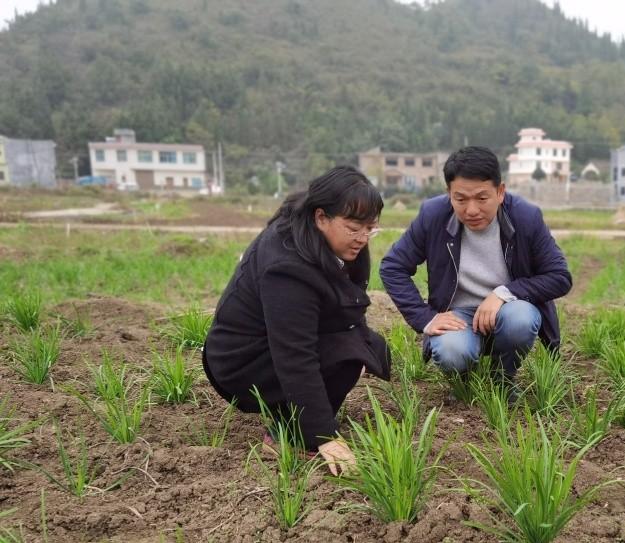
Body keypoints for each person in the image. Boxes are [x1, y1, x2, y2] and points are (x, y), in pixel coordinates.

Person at [202, 166, 390, 475]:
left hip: (268, 344)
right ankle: (290, 437)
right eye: (354, 227)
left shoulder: (326, 235)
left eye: (370, 228)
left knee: (362, 342)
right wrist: (324, 436)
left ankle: (294, 416)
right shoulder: (286, 268)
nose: (363, 238)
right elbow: (294, 356)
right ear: (321, 217)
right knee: (348, 352)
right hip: (241, 361)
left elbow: (351, 300)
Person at [379, 146, 571, 385]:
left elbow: (560, 277)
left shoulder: (525, 217)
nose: (471, 210)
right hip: (457, 316)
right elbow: (393, 266)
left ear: (500, 192)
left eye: (482, 198)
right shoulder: (433, 215)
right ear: (449, 193)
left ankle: (502, 378)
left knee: (521, 318)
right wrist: (425, 318)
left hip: (507, 312)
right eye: (460, 199)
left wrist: (504, 293)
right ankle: (465, 383)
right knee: (452, 352)